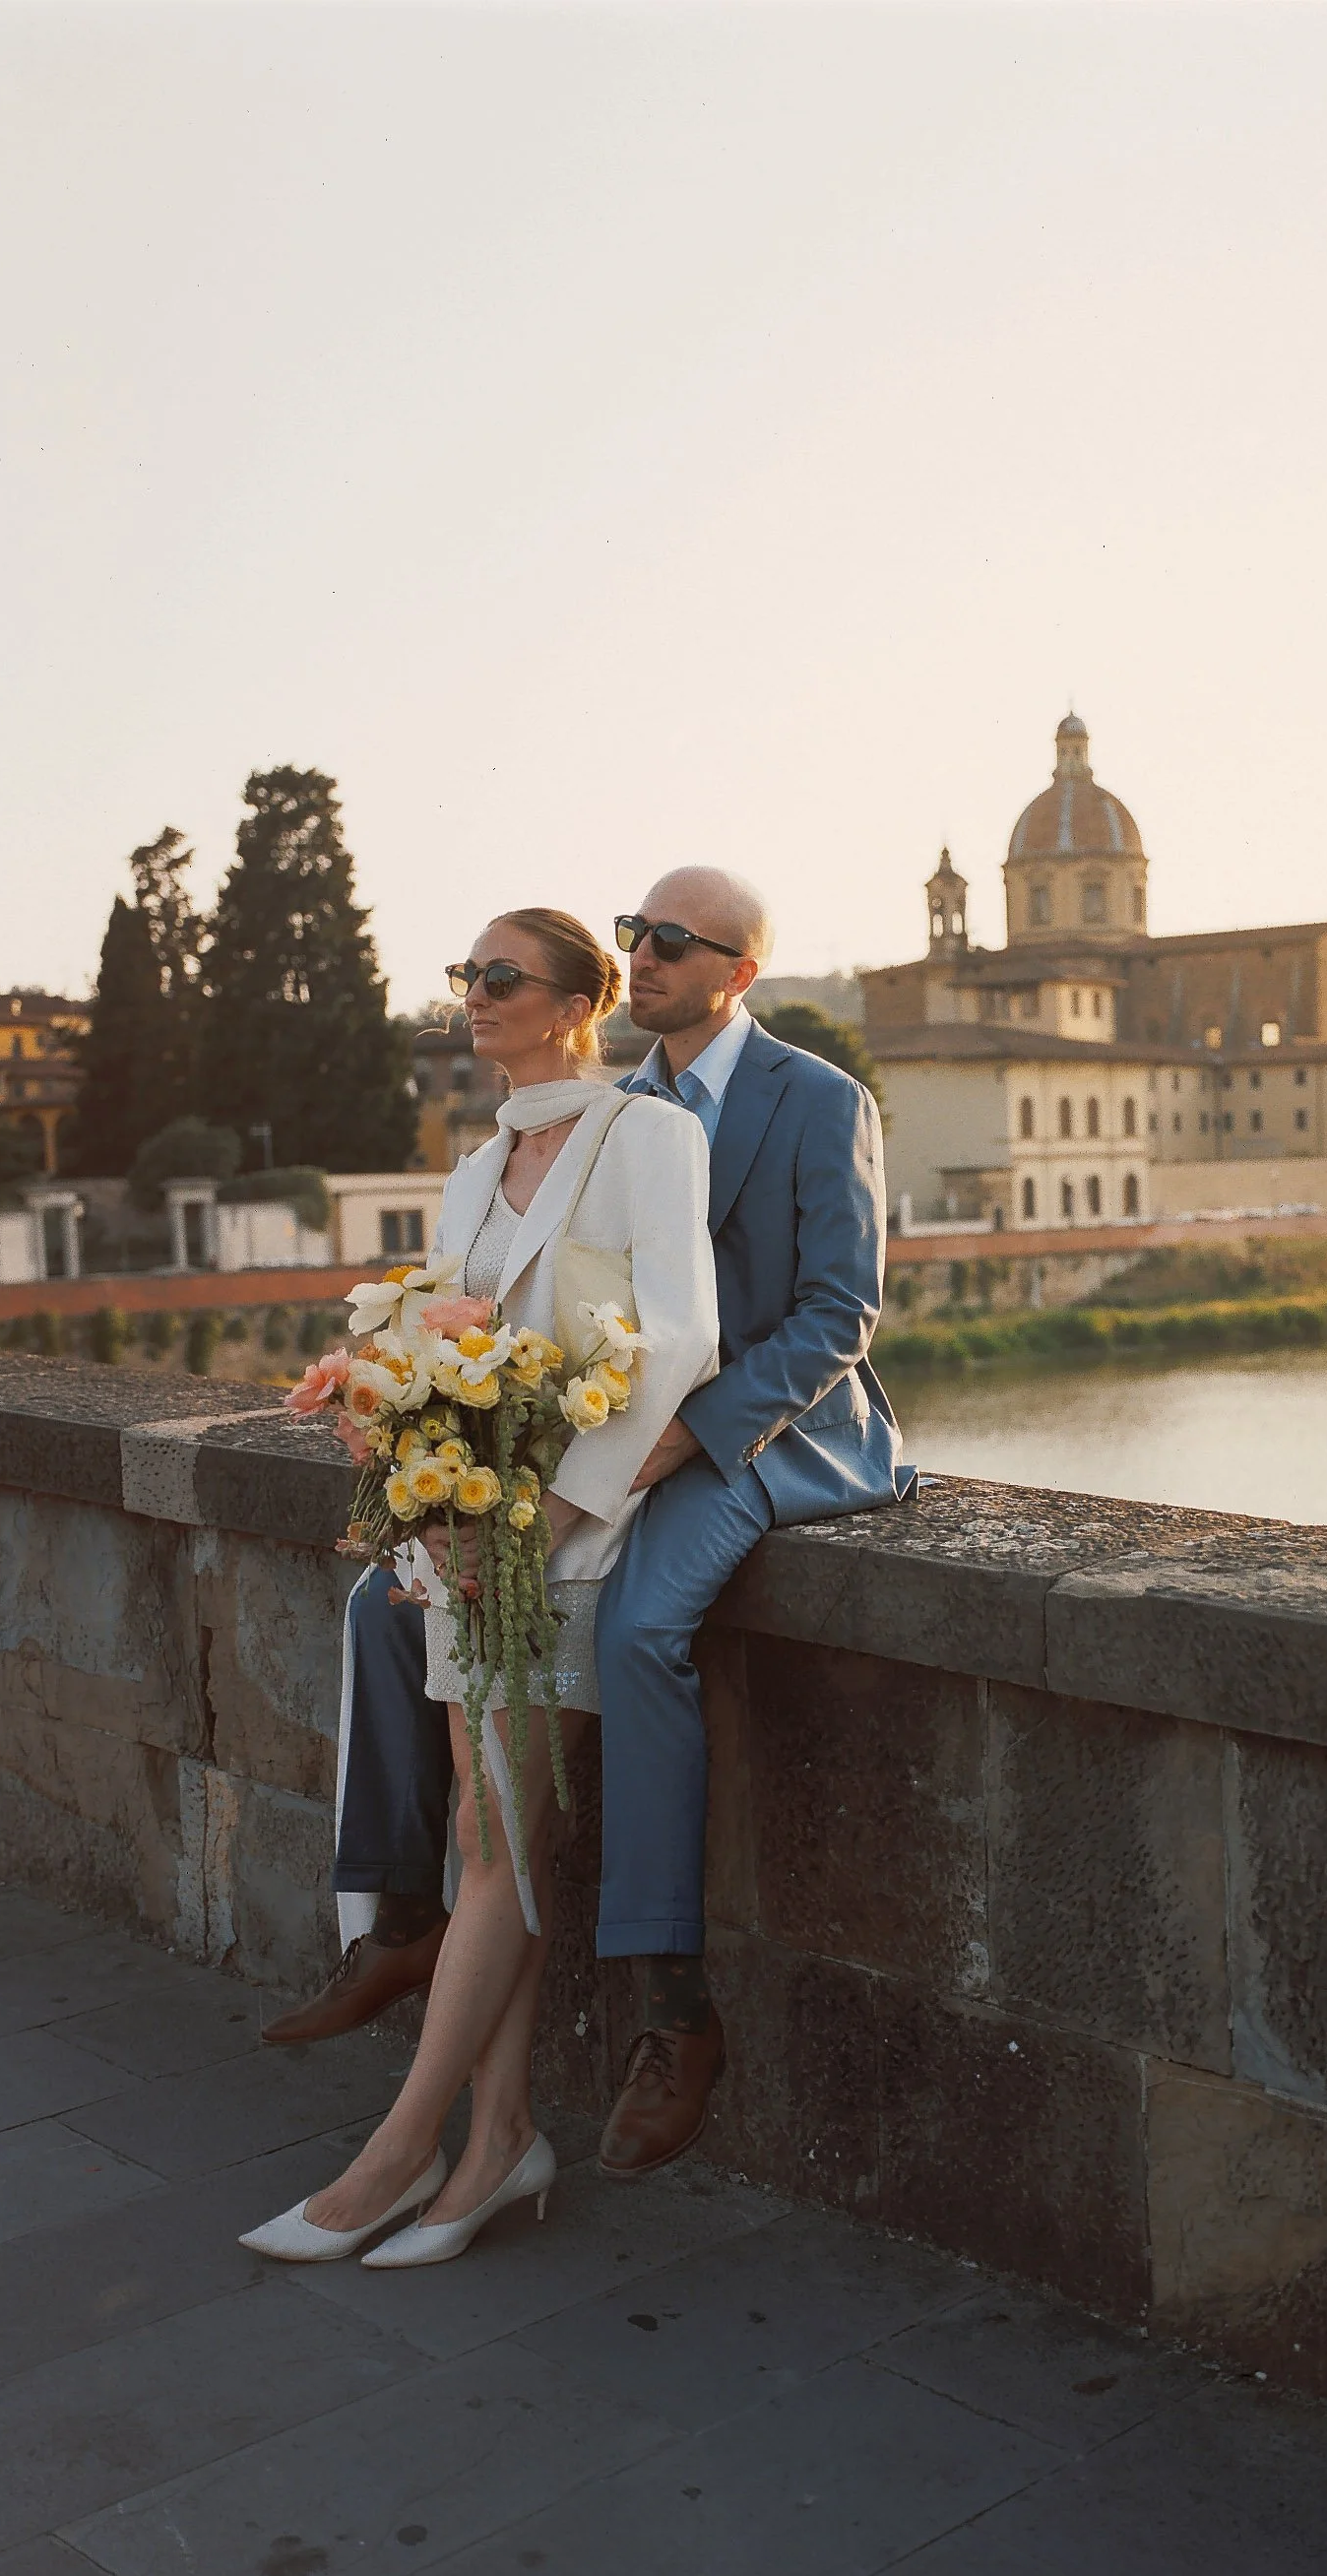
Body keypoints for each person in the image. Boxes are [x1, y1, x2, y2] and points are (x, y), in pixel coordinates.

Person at [262, 865, 912, 2193]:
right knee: (384, 1602)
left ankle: (671, 2005)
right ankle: (402, 1914)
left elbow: (839, 1313)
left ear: (738, 971)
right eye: (634, 934)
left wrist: (676, 1438)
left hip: (765, 1430)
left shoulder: (816, 1096)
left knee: (643, 1626)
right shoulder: (606, 1112)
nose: (645, 953)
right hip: (612, 1435)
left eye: (673, 939)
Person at [241, 907, 718, 2264]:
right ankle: (500, 2137)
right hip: (473, 1536)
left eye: (501, 976)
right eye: (467, 974)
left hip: (577, 1530)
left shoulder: (648, 1137)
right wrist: (419, 1490)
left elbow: (683, 1336)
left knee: (499, 1832)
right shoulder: (471, 1171)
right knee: (489, 1830)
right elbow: (434, 1347)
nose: (474, 993)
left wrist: (552, 1509)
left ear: (578, 1003)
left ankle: (399, 2152)